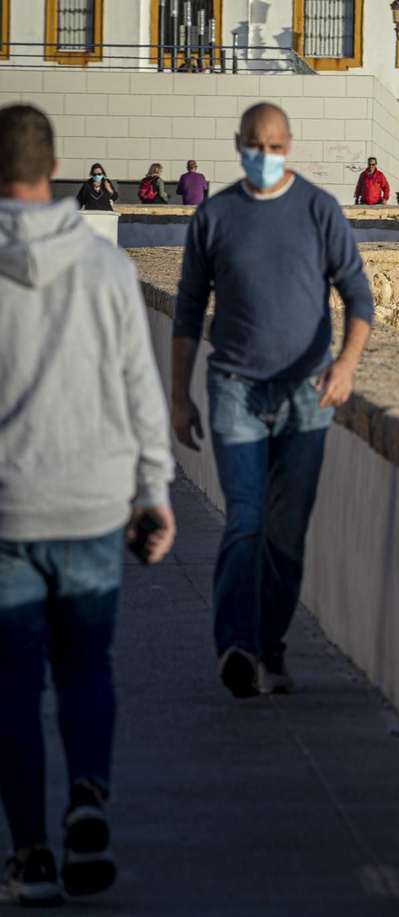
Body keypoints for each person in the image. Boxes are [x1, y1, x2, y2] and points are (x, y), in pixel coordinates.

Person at [0, 104, 176, 906]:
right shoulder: (107, 271)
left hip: (7, 513)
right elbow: (143, 389)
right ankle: (90, 798)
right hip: (92, 505)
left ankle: (31, 856)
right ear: (55, 165)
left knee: (10, 687)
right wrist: (155, 493)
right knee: (82, 667)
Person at [171, 102, 373, 700]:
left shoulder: (318, 209)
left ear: (289, 145)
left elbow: (358, 297)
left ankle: (270, 647)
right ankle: (235, 646)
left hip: (307, 395)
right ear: (239, 144)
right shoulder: (215, 215)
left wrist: (346, 365)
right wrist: (178, 396)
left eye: (275, 145)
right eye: (255, 144)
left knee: (285, 531)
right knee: (246, 520)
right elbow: (186, 311)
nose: (264, 154)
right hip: (234, 386)